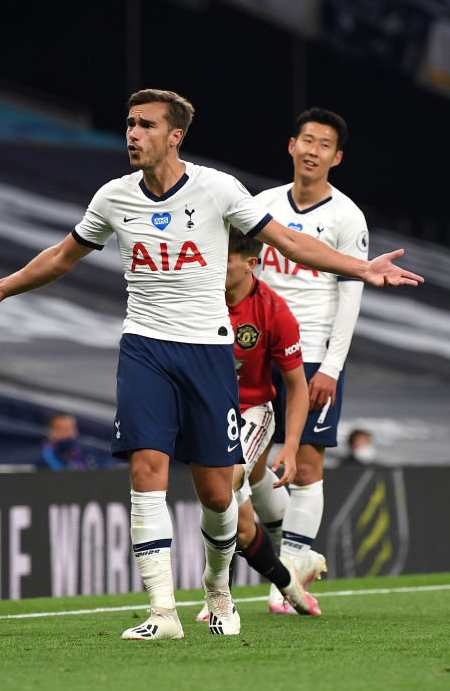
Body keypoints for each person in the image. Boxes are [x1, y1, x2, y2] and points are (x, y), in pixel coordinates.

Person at [0, 89, 423, 641]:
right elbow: (63, 255)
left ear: (174, 136)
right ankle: (162, 612)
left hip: (207, 353)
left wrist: (361, 268)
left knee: (218, 494)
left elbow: (289, 243)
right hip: (145, 349)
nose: (132, 134)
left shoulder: (218, 189)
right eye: (129, 124)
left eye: (146, 125)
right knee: (145, 470)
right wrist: (3, 289)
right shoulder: (112, 197)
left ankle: (219, 593)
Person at [249, 107, 367, 614]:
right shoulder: (261, 205)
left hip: (314, 351)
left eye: (325, 144)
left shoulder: (347, 217)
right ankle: (294, 553)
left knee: (307, 464)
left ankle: (288, 577)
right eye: (307, 140)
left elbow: (351, 296)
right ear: (291, 146)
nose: (314, 150)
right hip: (256, 348)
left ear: (336, 158)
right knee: (249, 467)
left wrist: (332, 368)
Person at [195, 228, 321, 623]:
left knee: (229, 478)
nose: (214, 264)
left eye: (225, 257)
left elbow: (296, 386)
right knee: (245, 515)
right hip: (206, 412)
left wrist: (291, 443)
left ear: (251, 264)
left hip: (253, 411)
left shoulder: (274, 311)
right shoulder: (197, 298)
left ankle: (217, 591)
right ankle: (290, 576)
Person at [39, 412, 105, 471]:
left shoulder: (85, 449)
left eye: (71, 428)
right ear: (51, 432)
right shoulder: (46, 455)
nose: (69, 433)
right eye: (63, 429)